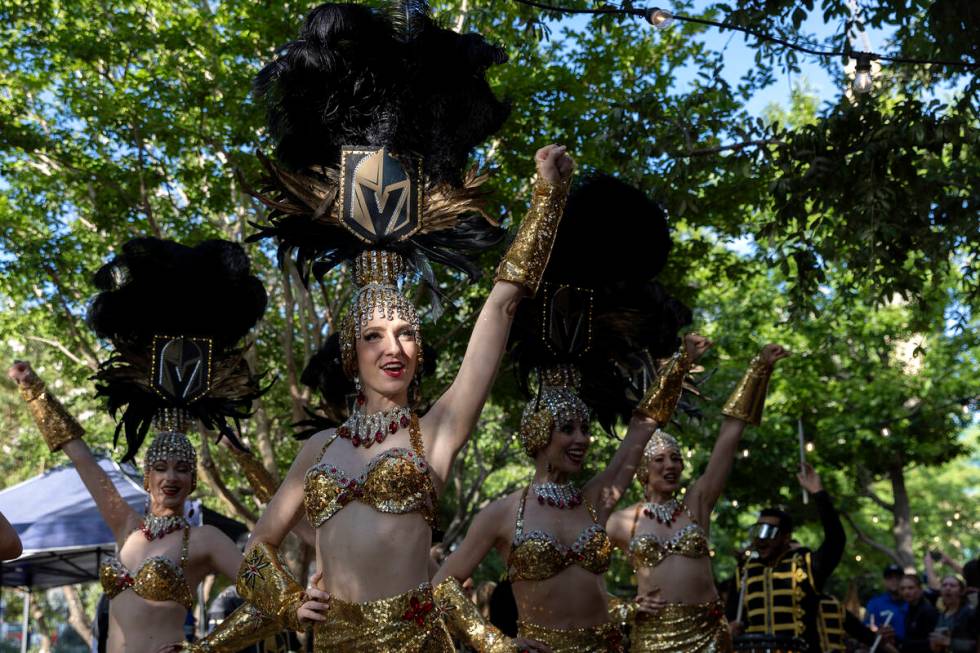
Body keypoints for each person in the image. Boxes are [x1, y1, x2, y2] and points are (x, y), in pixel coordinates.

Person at [185, 4, 574, 651]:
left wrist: (546, 203)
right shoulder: (319, 451)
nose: (393, 346)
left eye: (406, 332)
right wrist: (283, 600)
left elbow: (502, 305)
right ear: (350, 352)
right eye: (374, 335)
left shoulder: (438, 431)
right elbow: (259, 541)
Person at [435, 175, 703, 653]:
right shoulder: (503, 513)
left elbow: (642, 428)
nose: (582, 438)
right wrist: (496, 644)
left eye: (584, 427)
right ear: (538, 432)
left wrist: (679, 366)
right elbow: (443, 584)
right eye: (568, 428)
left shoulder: (597, 498)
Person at [9, 239, 277, 653]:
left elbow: (271, 601)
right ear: (147, 476)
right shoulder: (126, 528)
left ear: (193, 480)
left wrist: (209, 647)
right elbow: (81, 457)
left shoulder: (203, 540)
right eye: (163, 467)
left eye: (182, 469)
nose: (172, 476)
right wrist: (34, 390)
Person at [606, 343, 789, 652]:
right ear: (642, 469)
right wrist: (623, 609)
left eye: (676, 458)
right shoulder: (621, 521)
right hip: (654, 638)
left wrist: (759, 371)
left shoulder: (697, 503)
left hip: (709, 635)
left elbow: (729, 439)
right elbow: (581, 577)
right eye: (660, 460)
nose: (671, 465)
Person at [726, 465, 846, 652]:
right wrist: (730, 628)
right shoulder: (744, 570)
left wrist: (819, 494)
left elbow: (836, 541)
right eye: (757, 531)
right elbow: (730, 616)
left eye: (768, 532)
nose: (761, 539)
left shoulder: (805, 565)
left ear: (786, 537)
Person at [929, 575, 977, 653]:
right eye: (944, 585)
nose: (948, 588)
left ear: (961, 591)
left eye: (953, 585)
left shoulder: (970, 613)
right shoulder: (942, 614)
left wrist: (950, 642)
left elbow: (976, 645)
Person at [866, 564, 911, 643]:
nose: (894, 580)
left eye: (898, 578)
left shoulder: (911, 601)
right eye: (890, 578)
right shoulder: (875, 603)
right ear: (884, 581)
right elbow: (867, 627)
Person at [901, 573, 939, 653]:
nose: (906, 592)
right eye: (903, 588)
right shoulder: (909, 609)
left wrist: (904, 645)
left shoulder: (928, 611)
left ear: (920, 589)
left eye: (910, 588)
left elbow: (934, 643)